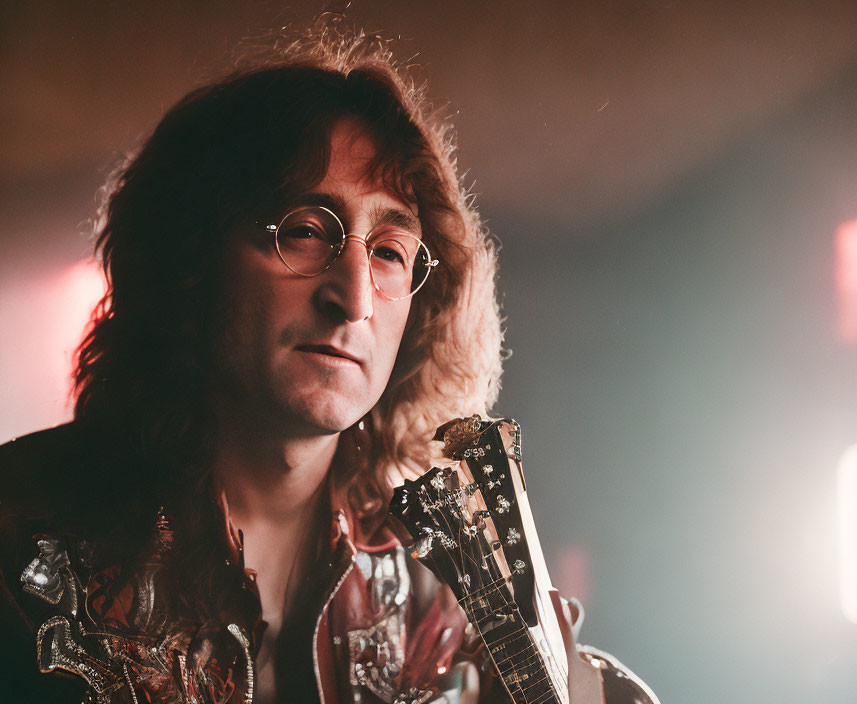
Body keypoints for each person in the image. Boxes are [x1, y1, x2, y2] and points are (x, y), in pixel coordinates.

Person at [0, 21, 659, 704]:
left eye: (389, 253)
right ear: (189, 260)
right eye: (306, 232)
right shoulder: (16, 539)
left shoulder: (435, 591)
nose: (353, 300)